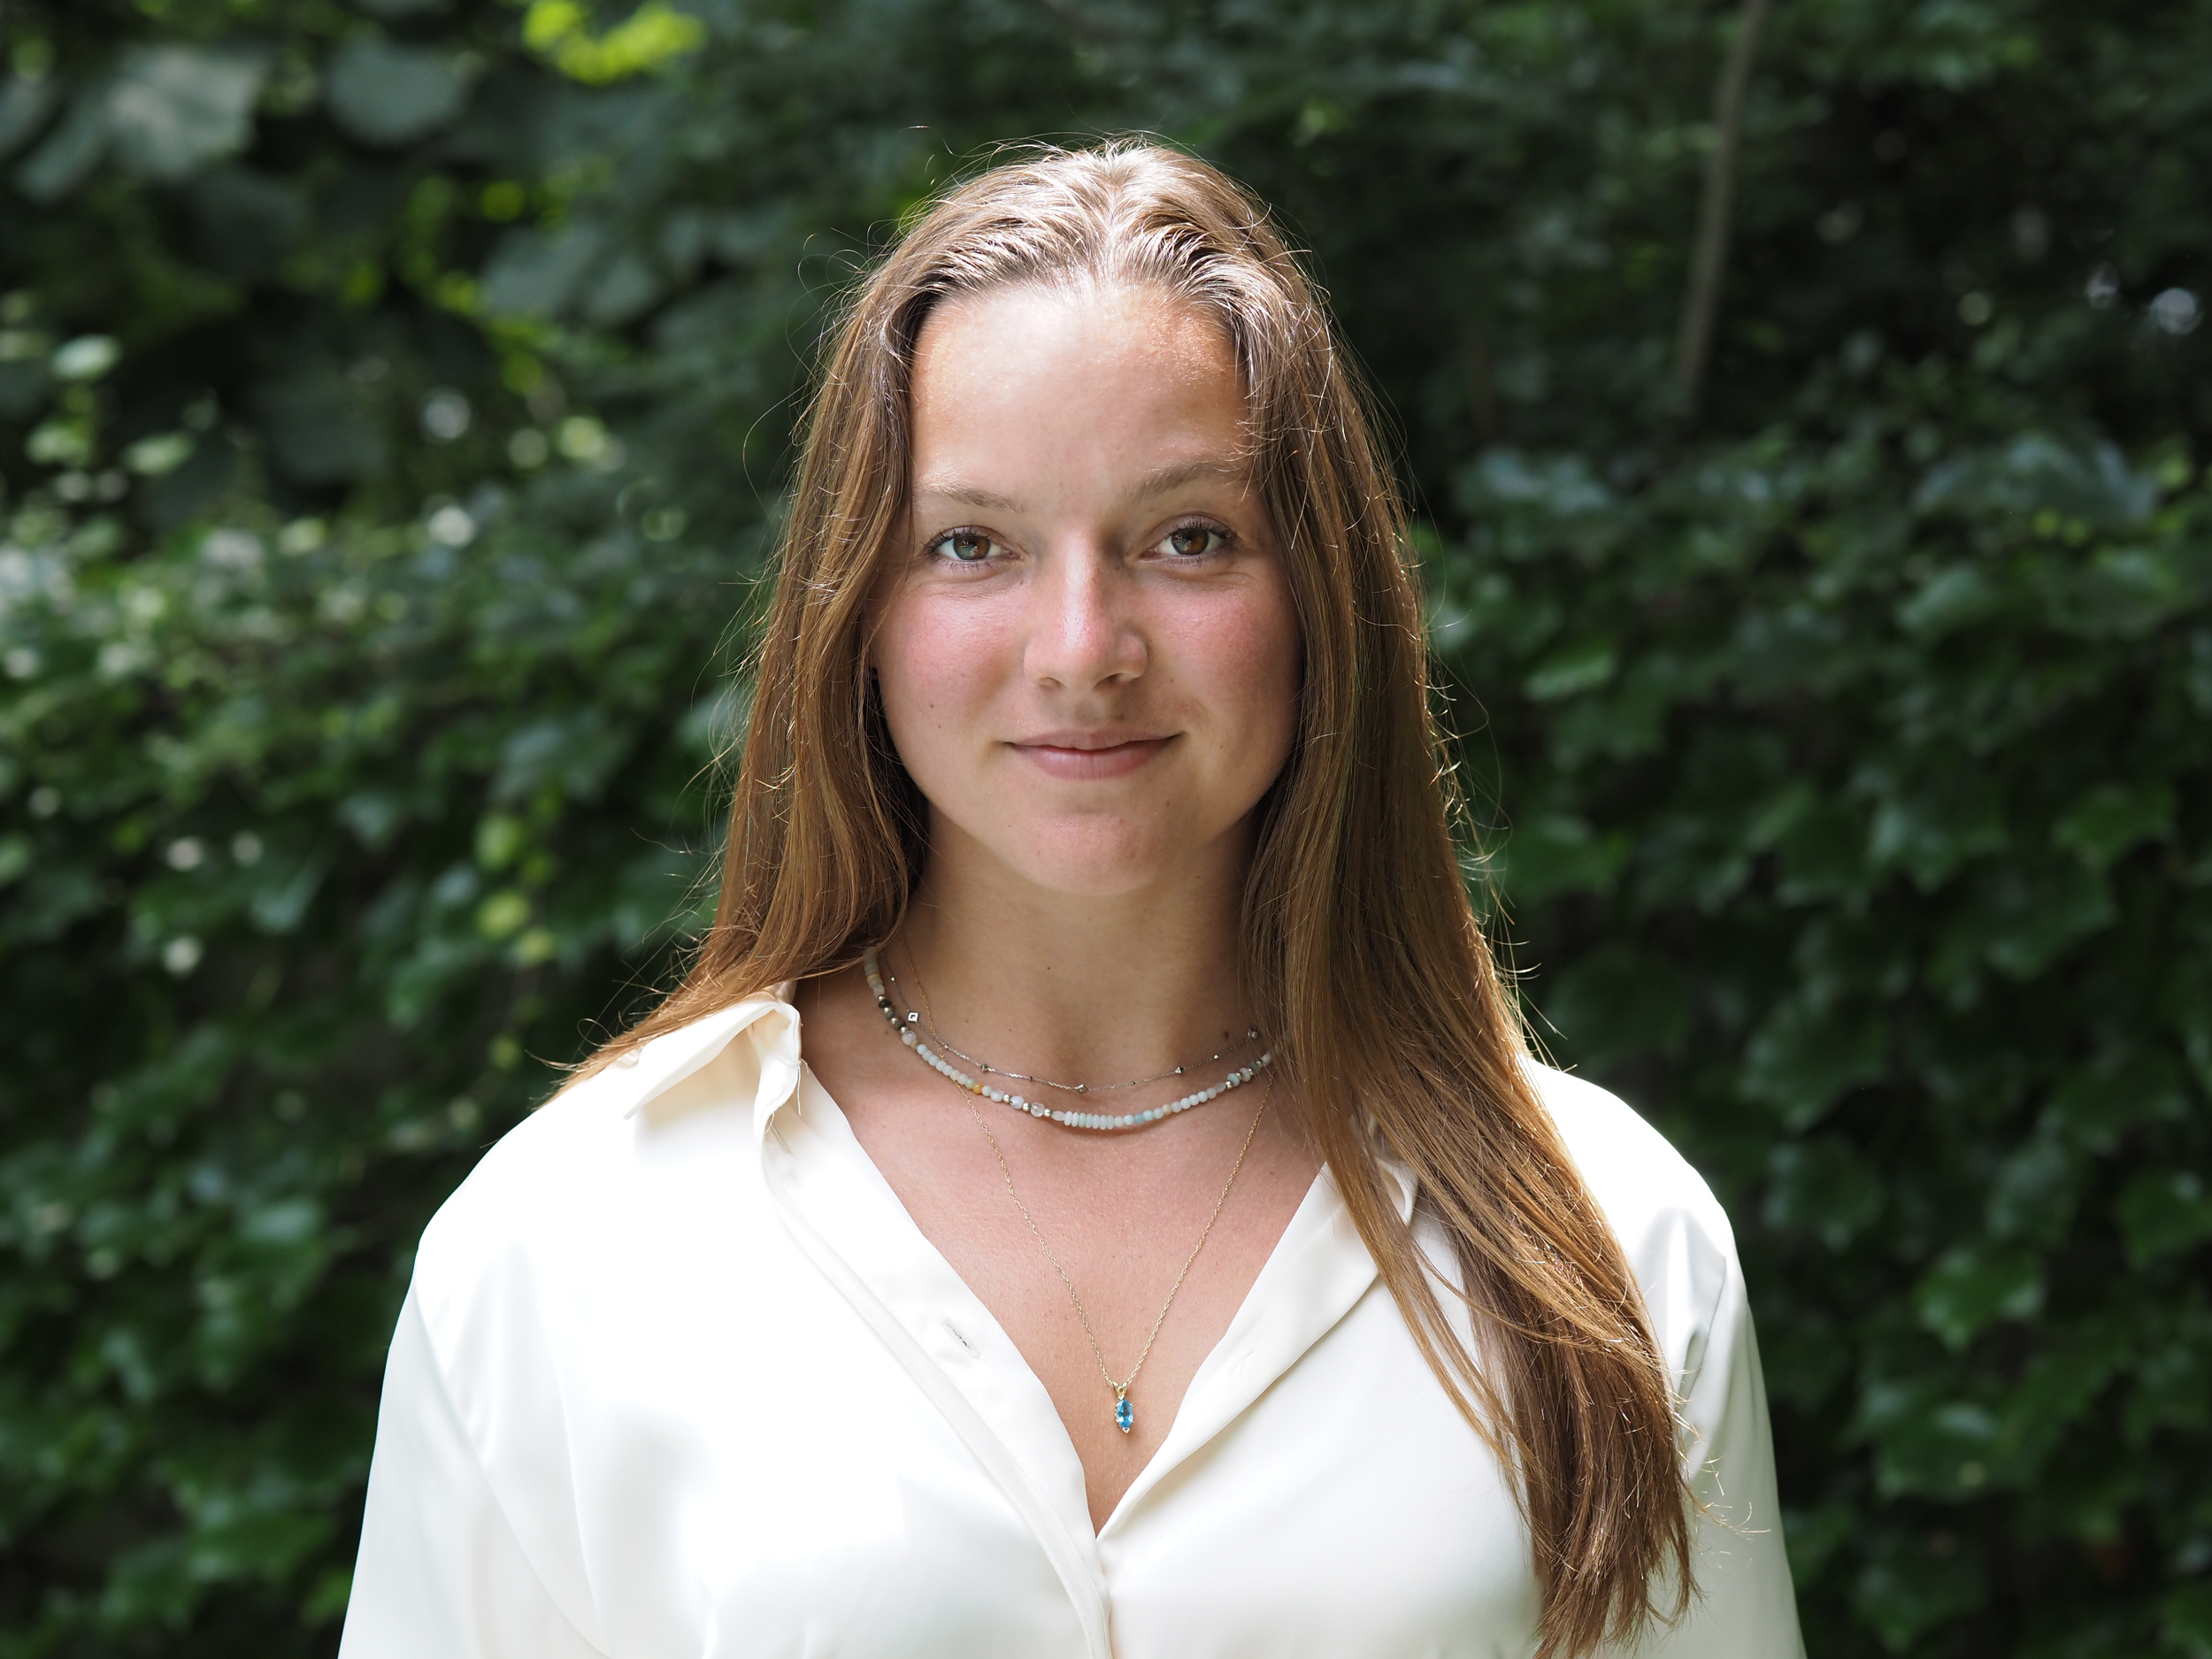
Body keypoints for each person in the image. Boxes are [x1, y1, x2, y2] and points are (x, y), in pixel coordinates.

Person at [338, 141, 1802, 1659]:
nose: (1081, 645)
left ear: (1322, 595)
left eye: (1189, 537)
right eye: (973, 545)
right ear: (860, 611)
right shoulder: (571, 1237)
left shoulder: (1609, 1244)